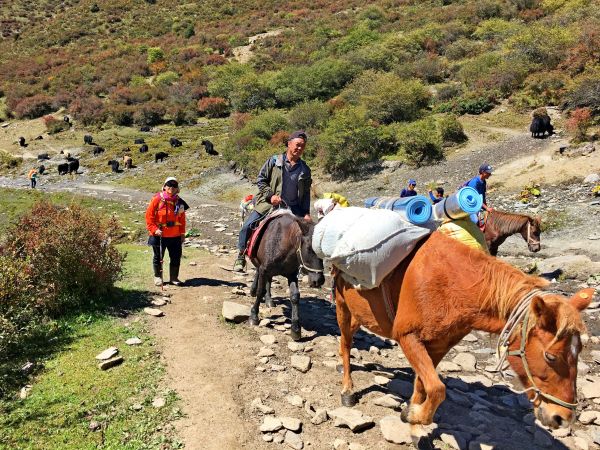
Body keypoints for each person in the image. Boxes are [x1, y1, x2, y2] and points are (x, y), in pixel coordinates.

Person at [233, 130, 312, 272]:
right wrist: (270, 196)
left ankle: (304, 265)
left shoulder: (305, 169)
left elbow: (306, 193)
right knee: (247, 226)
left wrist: (306, 212)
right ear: (289, 144)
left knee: (307, 234)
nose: (299, 148)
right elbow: (261, 180)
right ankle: (241, 255)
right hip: (269, 205)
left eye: (303, 146)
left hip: (293, 208)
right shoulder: (274, 161)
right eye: (297, 144)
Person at [145, 177, 186, 286]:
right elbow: (149, 217)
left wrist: (182, 233)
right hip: (159, 234)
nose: (171, 187)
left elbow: (182, 219)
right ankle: (158, 277)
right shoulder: (157, 199)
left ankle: (174, 278)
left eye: (174, 185)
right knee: (158, 257)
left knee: (176, 257)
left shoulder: (179, 201)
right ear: (164, 186)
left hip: (175, 235)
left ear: (177, 189)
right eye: (169, 184)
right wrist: (154, 229)